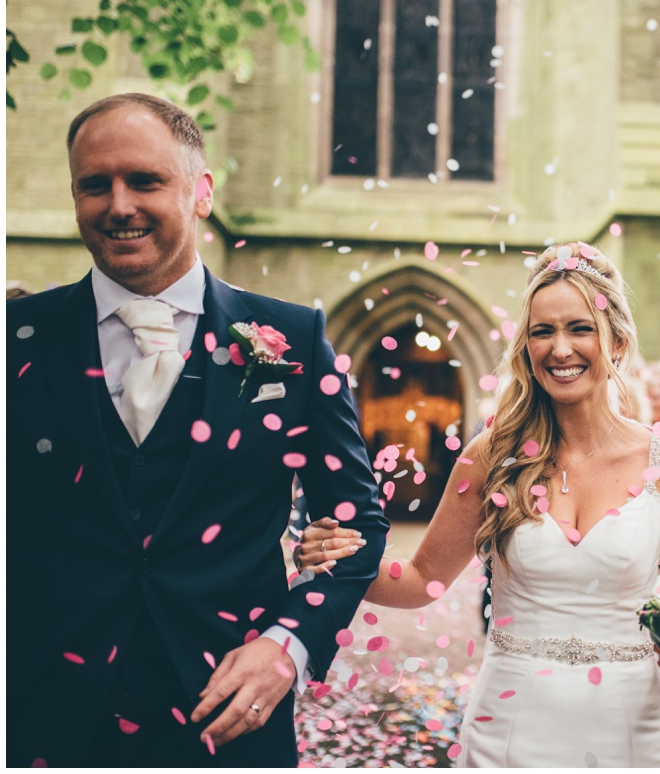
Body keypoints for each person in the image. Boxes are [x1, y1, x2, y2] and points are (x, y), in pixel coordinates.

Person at [6, 94, 389, 767]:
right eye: (95, 184)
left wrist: (286, 646)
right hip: (43, 717)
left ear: (201, 192)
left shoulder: (296, 340)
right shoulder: (17, 341)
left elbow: (358, 523)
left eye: (145, 180)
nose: (118, 205)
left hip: (228, 717)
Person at [294, 243, 660, 766]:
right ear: (526, 347)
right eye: (542, 332)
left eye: (579, 328)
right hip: (512, 727)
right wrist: (345, 557)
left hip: (632, 729)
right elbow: (422, 577)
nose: (560, 349)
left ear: (615, 340)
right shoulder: (491, 456)